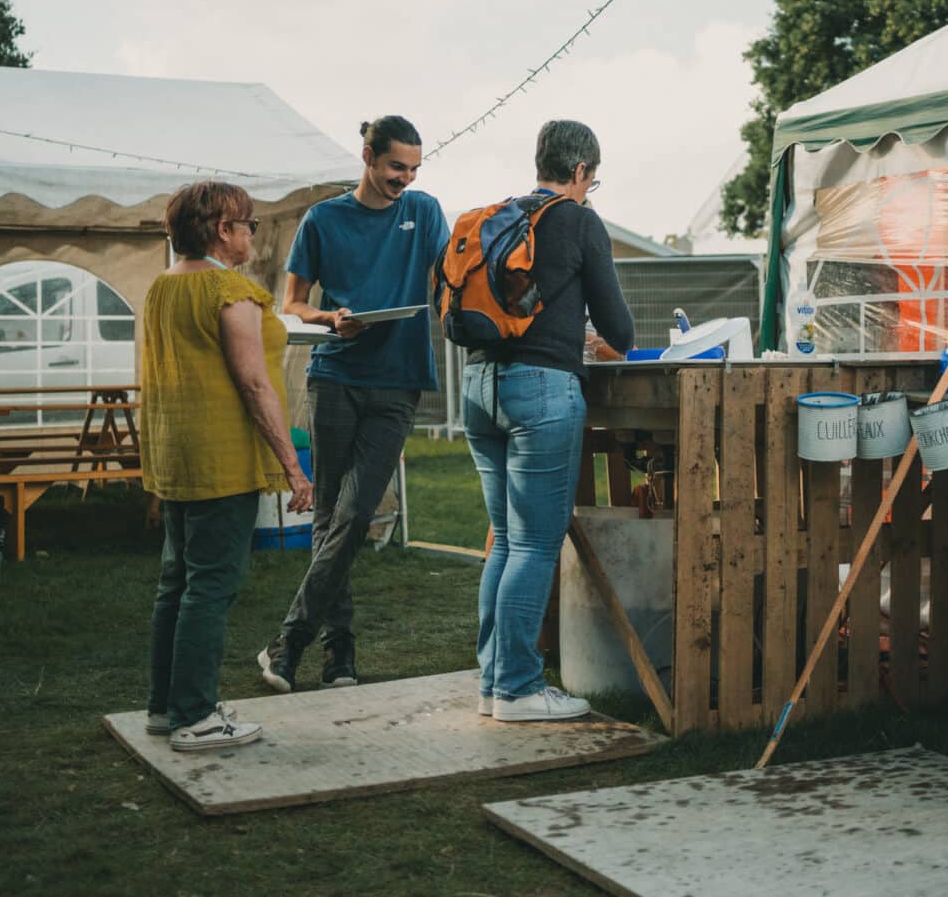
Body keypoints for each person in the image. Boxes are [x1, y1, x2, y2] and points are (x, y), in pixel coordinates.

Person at [258, 116, 450, 692]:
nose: (405, 178)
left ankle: (288, 643)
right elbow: (292, 302)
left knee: (355, 513)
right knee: (328, 519)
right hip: (336, 378)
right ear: (367, 156)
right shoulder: (324, 219)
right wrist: (328, 318)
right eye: (397, 167)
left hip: (398, 382)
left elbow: (449, 277)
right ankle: (339, 655)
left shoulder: (426, 212)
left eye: (414, 169)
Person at [463, 119, 635, 721]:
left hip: (478, 385)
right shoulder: (579, 220)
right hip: (541, 389)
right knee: (536, 542)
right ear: (582, 171)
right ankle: (518, 690)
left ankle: (493, 683)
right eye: (594, 180)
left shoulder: (500, 216)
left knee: (506, 541)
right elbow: (621, 330)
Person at [142, 181, 314, 751]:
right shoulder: (229, 289)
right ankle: (195, 716)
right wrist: (293, 467)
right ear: (222, 230)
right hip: (220, 458)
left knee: (178, 584)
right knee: (210, 588)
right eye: (248, 225)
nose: (250, 234)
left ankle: (167, 707)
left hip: (177, 454)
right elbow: (254, 382)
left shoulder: (163, 286)